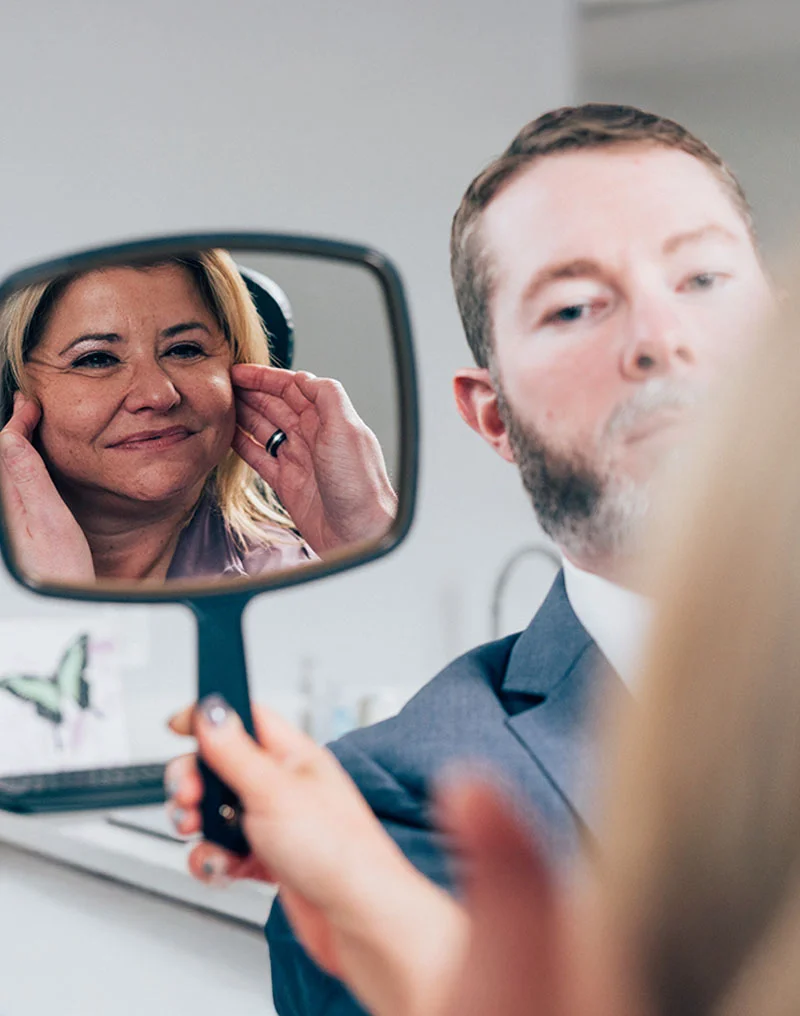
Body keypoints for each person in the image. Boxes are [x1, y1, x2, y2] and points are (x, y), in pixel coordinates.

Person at [223, 103, 774, 1015]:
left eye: (704, 278)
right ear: (493, 416)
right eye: (573, 306)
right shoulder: (399, 815)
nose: (658, 339)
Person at [0, 249, 397, 584]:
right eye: (97, 359)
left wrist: (367, 534)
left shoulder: (289, 572)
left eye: (185, 349)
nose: (158, 394)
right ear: (12, 392)